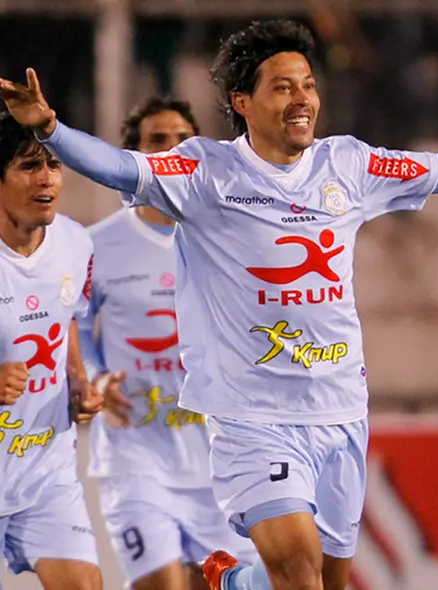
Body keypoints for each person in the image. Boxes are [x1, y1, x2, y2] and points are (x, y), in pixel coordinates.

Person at [0, 19, 438, 590]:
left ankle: (234, 582)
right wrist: (50, 129)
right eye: (282, 86)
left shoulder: (347, 165)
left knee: (324, 580)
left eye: (308, 85)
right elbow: (118, 167)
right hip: (251, 420)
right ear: (242, 102)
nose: (302, 98)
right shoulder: (205, 172)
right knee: (298, 571)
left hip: (341, 412)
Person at [79, 96, 257, 590]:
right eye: (157, 140)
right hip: (136, 458)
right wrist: (96, 377)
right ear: (133, 157)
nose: (172, 149)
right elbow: (77, 325)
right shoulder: (97, 244)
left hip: (219, 463)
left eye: (183, 139)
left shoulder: (230, 238)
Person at [0, 112, 102, 589]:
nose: (46, 179)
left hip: (45, 475)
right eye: (28, 166)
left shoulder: (75, 243)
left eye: (54, 164)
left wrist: (78, 379)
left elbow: (70, 317)